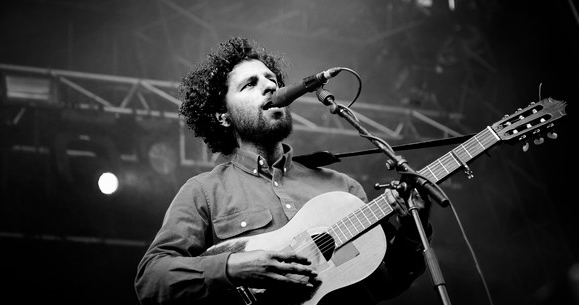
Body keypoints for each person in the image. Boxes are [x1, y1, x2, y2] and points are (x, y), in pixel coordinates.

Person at [134, 36, 432, 305]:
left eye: (272, 79)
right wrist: (234, 266)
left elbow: (380, 285)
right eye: (250, 84)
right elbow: (151, 280)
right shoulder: (204, 191)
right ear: (223, 117)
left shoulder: (343, 189)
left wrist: (411, 230)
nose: (270, 86)